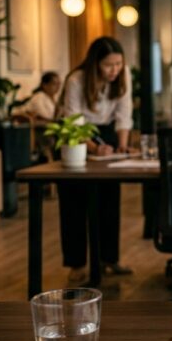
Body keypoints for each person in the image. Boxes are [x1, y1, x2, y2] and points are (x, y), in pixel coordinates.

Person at [57, 37, 134, 282]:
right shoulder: (77, 80)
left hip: (107, 133)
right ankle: (77, 264)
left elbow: (124, 114)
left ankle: (110, 259)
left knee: (110, 198)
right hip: (77, 135)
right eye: (108, 65)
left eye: (118, 64)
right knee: (74, 201)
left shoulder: (123, 76)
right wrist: (93, 147)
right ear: (95, 64)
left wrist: (122, 145)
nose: (115, 70)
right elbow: (74, 120)